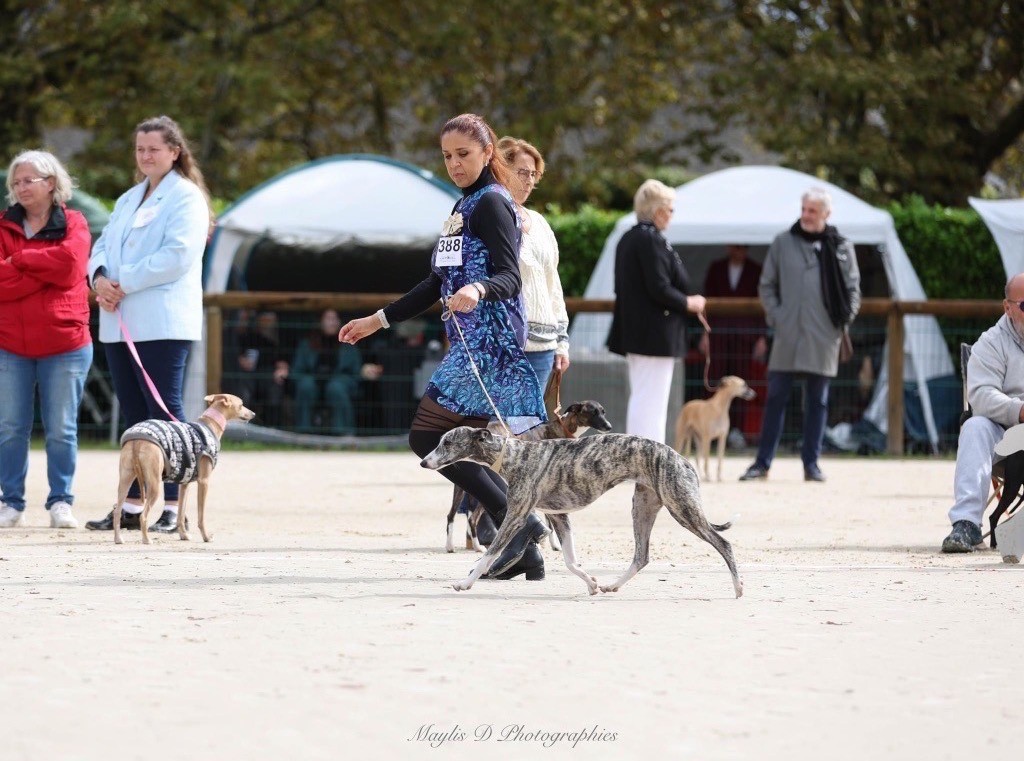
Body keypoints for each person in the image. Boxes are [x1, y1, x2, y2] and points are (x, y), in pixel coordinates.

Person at [339, 113, 549, 581]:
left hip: (489, 341)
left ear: (488, 153)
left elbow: (510, 276)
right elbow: (436, 280)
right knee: (469, 448)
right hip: (468, 342)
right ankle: (526, 554)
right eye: (448, 156)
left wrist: (478, 289)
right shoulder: (464, 206)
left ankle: (523, 522)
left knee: (427, 438)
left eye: (464, 155)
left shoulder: (492, 203)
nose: (454, 164)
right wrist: (378, 320)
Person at [85, 115, 212, 533]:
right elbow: (101, 244)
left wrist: (123, 282)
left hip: (162, 321)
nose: (145, 156)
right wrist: (100, 278)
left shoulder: (186, 198)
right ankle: (136, 504)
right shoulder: (128, 198)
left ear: (174, 151)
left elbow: (178, 255)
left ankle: (173, 505)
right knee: (136, 417)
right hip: (119, 319)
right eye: (140, 149)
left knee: (164, 410)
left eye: (153, 149)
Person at [739, 188, 861, 483]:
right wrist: (778, 317)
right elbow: (766, 285)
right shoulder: (782, 242)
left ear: (826, 215)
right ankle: (762, 463)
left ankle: (812, 464)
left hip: (824, 336)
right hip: (787, 335)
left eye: (812, 211)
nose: (805, 215)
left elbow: (853, 290)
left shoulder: (842, 246)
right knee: (776, 398)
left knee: (817, 402)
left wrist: (842, 322)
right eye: (804, 209)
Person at [0, 151, 93, 529]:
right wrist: (44, 268)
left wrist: (18, 262)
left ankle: (61, 502)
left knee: (62, 429)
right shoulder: (2, 227)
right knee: (9, 428)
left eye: (29, 180)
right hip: (10, 344)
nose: (21, 188)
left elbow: (72, 266)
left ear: (51, 183)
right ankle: (11, 502)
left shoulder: (75, 222)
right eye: (16, 183)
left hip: (66, 343)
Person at [607, 179, 706, 444]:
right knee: (651, 401)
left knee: (643, 396)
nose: (672, 216)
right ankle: (647, 459)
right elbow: (659, 287)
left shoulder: (628, 237)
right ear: (659, 210)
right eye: (671, 209)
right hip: (654, 334)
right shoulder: (651, 240)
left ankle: (640, 456)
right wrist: (689, 303)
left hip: (637, 330)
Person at [941, 273, 1024, 552]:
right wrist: (1020, 410)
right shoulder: (991, 343)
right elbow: (980, 395)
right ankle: (966, 523)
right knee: (975, 426)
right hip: (1003, 433)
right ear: (1007, 307)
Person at [497, 136, 570, 390]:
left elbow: (554, 286)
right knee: (503, 427)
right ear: (502, 171)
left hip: (545, 347)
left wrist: (561, 343)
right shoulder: (492, 216)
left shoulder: (540, 222)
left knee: (531, 426)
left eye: (533, 174)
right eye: (522, 172)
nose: (529, 180)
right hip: (507, 345)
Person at [698, 244, 767, 441]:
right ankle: (707, 429)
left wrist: (762, 335)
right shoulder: (716, 268)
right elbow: (707, 301)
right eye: (736, 247)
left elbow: (762, 303)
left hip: (745, 334)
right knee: (715, 379)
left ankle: (735, 431)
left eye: (743, 247)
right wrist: (705, 333)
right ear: (729, 248)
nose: (739, 251)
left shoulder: (755, 269)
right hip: (718, 333)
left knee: (741, 383)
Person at [292, 309, 379, 434]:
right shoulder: (307, 343)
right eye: (328, 319)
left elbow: (356, 371)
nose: (331, 323)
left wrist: (364, 371)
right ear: (320, 322)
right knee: (306, 385)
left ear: (339, 322)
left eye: (334, 319)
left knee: (336, 388)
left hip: (340, 382)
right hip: (313, 380)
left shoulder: (349, 342)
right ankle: (303, 432)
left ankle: (343, 433)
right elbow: (297, 370)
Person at [232, 310, 288, 427]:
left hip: (268, 377)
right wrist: (240, 360)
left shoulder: (279, 341)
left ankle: (272, 429)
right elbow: (235, 357)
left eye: (270, 322)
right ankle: (243, 429)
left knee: (275, 388)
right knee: (244, 390)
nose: (267, 325)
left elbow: (282, 362)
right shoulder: (245, 338)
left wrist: (282, 369)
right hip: (247, 377)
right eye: (265, 321)